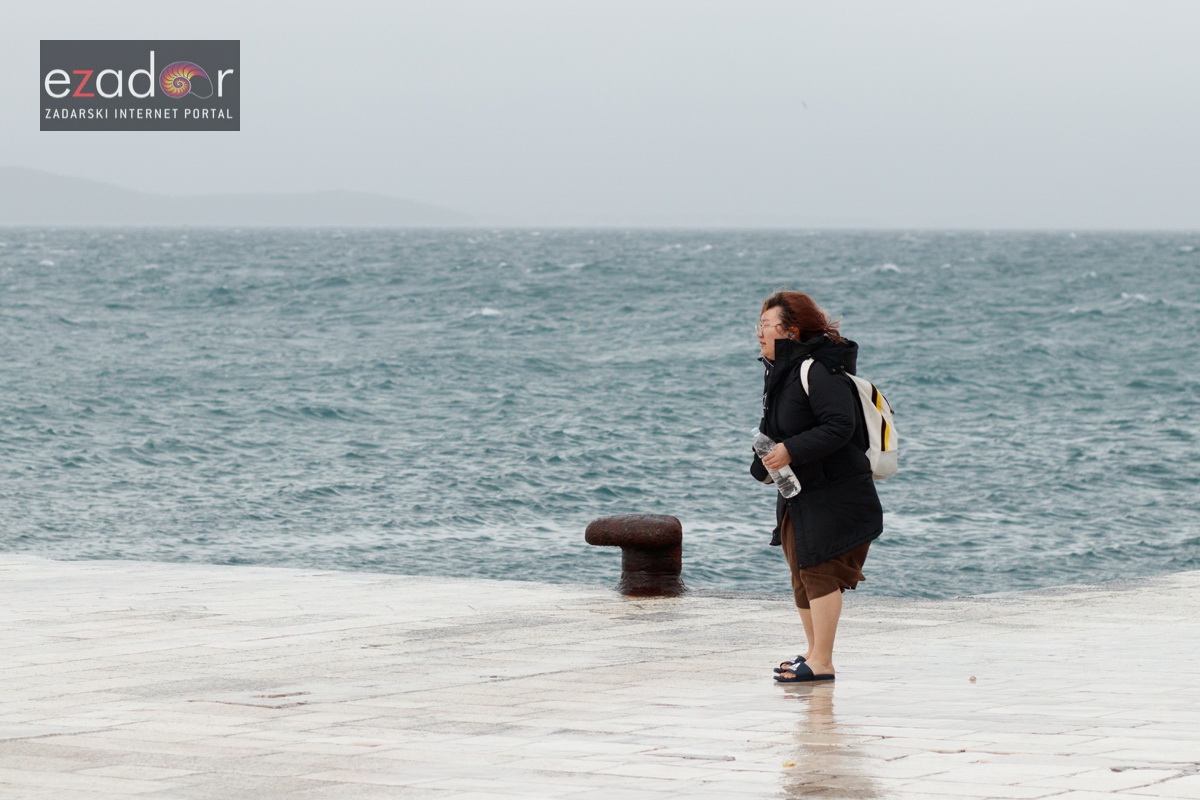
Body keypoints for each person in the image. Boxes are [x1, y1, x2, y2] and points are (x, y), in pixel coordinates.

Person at [750, 291, 883, 683]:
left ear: (791, 331)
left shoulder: (816, 370)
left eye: (766, 325)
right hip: (799, 490)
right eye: (759, 325)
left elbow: (840, 424)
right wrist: (765, 462)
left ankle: (822, 661)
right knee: (802, 571)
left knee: (820, 569)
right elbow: (779, 429)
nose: (759, 333)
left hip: (834, 491)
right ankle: (812, 652)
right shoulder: (780, 373)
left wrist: (790, 450)